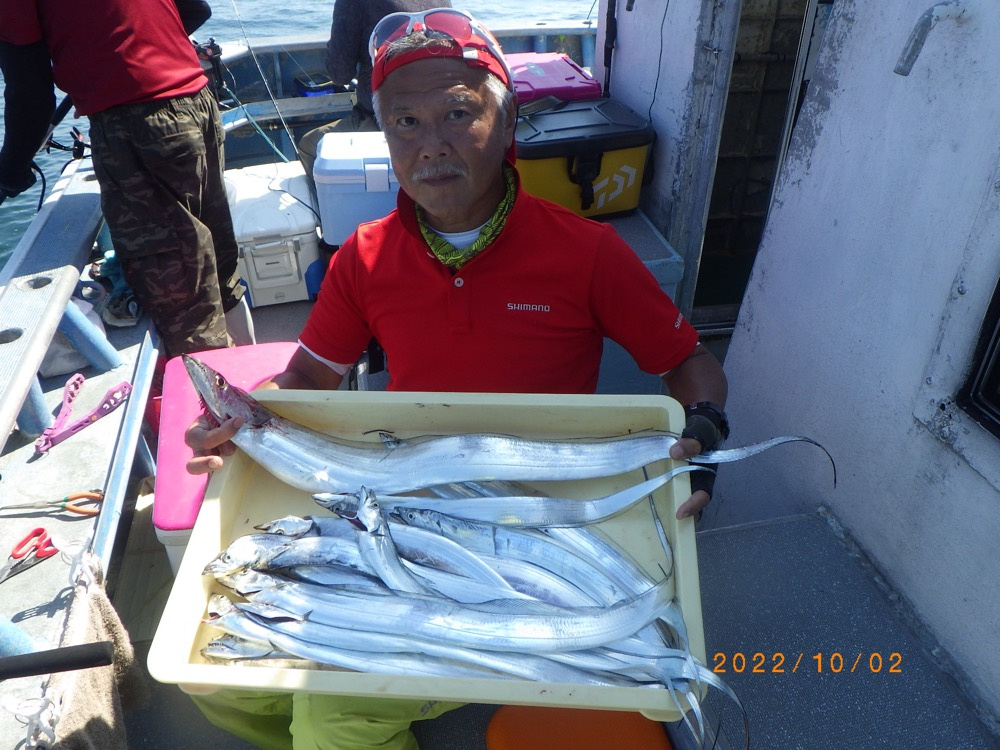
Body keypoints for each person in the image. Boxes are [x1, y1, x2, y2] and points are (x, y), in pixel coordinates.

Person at [185, 9, 728, 750]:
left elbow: (688, 363)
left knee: (329, 720)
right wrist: (245, 426)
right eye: (405, 123)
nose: (431, 145)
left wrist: (705, 431)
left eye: (458, 114)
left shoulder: (588, 253)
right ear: (384, 138)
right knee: (221, 688)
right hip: (402, 501)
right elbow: (309, 376)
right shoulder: (363, 257)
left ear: (508, 126)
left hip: (543, 515)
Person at [0, 0, 255, 357]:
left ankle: (224, 390)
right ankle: (255, 370)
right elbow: (197, 10)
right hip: (197, 103)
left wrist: (10, 172)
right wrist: (125, 54)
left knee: (182, 300)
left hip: (138, 129)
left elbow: (30, 94)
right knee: (219, 268)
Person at [296, 0, 450, 192]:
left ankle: (336, 207)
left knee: (310, 145)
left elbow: (340, 74)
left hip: (384, 120)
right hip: (441, 117)